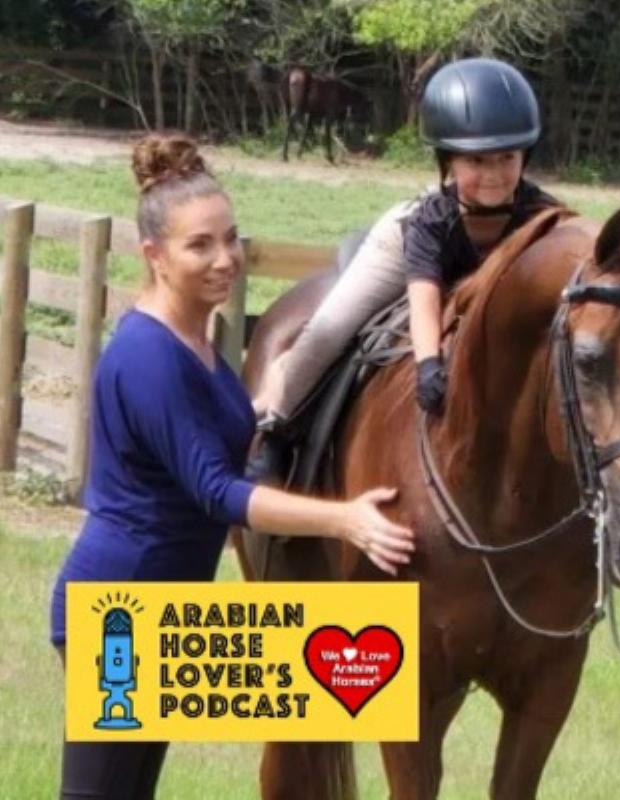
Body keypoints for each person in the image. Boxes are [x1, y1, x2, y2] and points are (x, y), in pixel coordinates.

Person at [49, 133, 414, 800]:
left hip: (164, 606)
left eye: (230, 239)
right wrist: (346, 521)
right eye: (200, 246)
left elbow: (204, 439)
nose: (225, 260)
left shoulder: (194, 337)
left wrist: (265, 398)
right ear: (154, 256)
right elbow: (218, 491)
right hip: (118, 612)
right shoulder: (148, 355)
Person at [252, 57, 561, 431]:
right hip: (400, 251)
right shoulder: (430, 220)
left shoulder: (542, 215)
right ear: (447, 161)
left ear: (525, 156)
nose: (494, 174)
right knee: (328, 332)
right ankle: (274, 428)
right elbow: (424, 295)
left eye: (507, 157)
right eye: (477, 160)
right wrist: (428, 364)